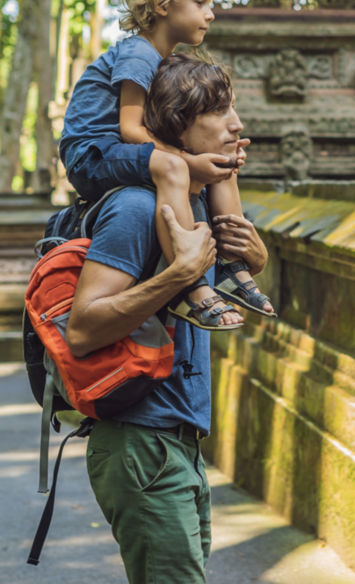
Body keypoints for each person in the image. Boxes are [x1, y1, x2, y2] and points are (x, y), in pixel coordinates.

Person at [65, 53, 268, 583]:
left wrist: (252, 261)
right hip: (141, 440)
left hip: (177, 441)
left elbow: (212, 300)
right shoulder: (137, 207)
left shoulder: (193, 207)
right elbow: (83, 329)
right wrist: (178, 276)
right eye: (218, 110)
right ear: (176, 123)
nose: (236, 124)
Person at [58, 0, 274, 330]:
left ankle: (233, 266)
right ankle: (189, 282)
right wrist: (187, 161)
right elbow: (130, 129)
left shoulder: (166, 60)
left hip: (122, 150)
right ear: (162, 4)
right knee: (175, 165)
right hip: (92, 154)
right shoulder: (139, 53)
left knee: (223, 161)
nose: (210, 14)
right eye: (200, 3)